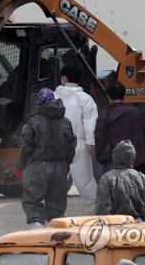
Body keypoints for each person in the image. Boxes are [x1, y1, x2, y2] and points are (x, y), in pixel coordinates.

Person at [17, 88, 77, 229]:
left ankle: (37, 228)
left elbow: (26, 147)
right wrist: (67, 162)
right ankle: (57, 232)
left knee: (33, 199)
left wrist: (21, 165)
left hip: (37, 167)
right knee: (57, 202)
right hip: (60, 168)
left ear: (39, 102)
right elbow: (72, 144)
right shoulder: (66, 122)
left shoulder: (33, 122)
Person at [54, 65, 98, 211]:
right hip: (79, 144)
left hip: (56, 145)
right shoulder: (85, 98)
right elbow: (90, 122)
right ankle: (96, 210)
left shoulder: (54, 96)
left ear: (64, 77)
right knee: (84, 181)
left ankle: (54, 213)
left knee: (55, 182)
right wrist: (90, 143)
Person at [94, 82, 145, 175]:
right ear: (124, 95)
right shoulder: (136, 114)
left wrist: (101, 157)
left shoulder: (105, 115)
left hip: (112, 163)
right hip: (136, 163)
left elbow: (99, 140)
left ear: (108, 96)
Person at [95, 140, 145, 221]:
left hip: (115, 226)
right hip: (137, 227)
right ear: (133, 157)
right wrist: (143, 223)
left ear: (114, 156)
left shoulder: (106, 178)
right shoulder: (142, 178)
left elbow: (102, 208)